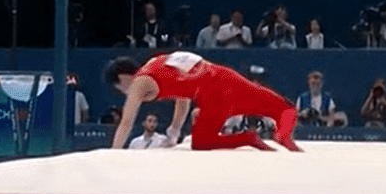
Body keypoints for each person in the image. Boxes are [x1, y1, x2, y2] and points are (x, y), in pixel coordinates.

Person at [103, 51, 301, 152]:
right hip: (224, 77)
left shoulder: (139, 82)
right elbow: (182, 98)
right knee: (284, 108)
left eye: (119, 87)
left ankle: (247, 138)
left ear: (122, 77)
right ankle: (282, 135)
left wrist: (114, 152)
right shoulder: (157, 62)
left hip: (213, 96)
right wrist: (173, 132)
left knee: (202, 143)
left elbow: (126, 121)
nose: (123, 92)